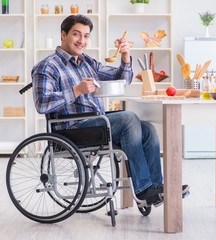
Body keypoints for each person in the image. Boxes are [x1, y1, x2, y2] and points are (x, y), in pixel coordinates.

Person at [31, 14, 189, 207]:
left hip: (95, 123)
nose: (82, 41)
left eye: (86, 36)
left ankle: (157, 187)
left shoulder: (87, 62)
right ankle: (143, 189)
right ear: (63, 35)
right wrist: (76, 90)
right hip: (71, 130)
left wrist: (125, 58)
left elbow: (121, 80)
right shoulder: (47, 67)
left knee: (147, 128)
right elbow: (42, 104)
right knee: (129, 118)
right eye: (76, 34)